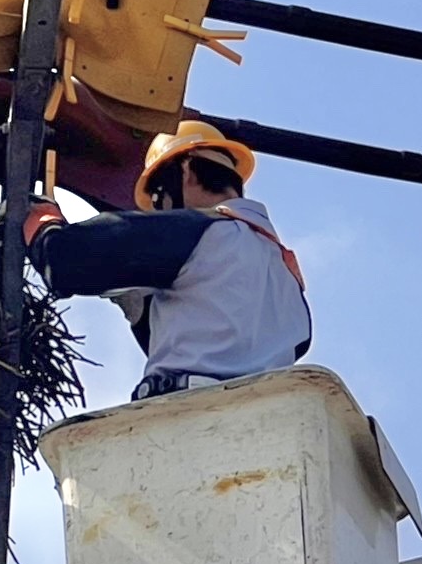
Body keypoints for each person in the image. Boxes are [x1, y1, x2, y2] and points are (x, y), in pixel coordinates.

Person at [23, 120, 311, 401]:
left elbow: (65, 261)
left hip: (186, 416)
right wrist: (144, 315)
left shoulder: (198, 230)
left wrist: (42, 221)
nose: (158, 210)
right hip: (261, 422)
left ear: (185, 171)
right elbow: (220, 345)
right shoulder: (285, 274)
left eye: (158, 196)